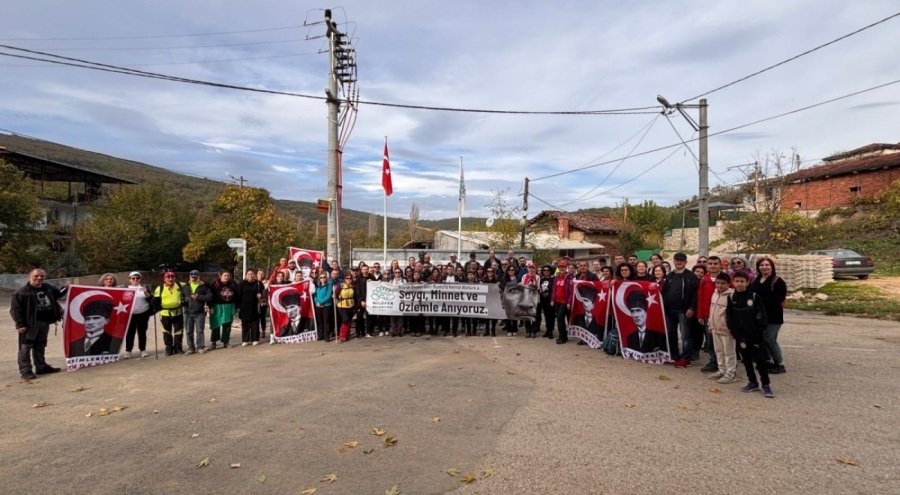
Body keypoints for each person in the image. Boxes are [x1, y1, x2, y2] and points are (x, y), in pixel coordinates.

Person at [727, 270, 774, 398]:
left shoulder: (753, 297)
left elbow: (761, 315)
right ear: (733, 282)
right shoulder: (731, 298)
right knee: (746, 360)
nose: (739, 284)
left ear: (747, 282)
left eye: (742, 281)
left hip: (755, 336)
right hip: (740, 336)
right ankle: (752, 381)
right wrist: (734, 331)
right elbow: (729, 317)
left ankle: (766, 384)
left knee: (760, 361)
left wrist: (759, 330)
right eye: (737, 281)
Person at [11, 269, 65, 379]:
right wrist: (20, 325)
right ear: (29, 277)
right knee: (25, 348)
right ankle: (25, 371)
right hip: (29, 324)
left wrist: (69, 288)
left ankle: (41, 367)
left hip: (44, 322)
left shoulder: (48, 288)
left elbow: (58, 294)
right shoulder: (21, 292)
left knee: (40, 345)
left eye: (42, 276)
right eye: (36, 276)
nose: (39, 278)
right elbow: (15, 310)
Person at [751, 257, 788, 375]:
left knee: (769, 339)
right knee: (761, 339)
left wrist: (759, 301)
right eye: (761, 265)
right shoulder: (756, 280)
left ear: (772, 267)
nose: (764, 267)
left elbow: (778, 299)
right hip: (759, 316)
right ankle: (767, 361)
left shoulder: (778, 281)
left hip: (774, 316)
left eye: (767, 265)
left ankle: (779, 363)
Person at [663, 253, 699, 368]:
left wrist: (692, 308)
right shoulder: (669, 276)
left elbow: (695, 294)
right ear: (673, 261)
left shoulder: (691, 276)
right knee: (671, 333)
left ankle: (686, 358)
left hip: (683, 311)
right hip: (669, 310)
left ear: (685, 262)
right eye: (677, 260)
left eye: (681, 260)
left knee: (685, 336)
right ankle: (675, 355)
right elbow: (664, 291)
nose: (679, 262)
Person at [696, 256, 725, 372]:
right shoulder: (704, 280)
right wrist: (700, 315)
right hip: (707, 315)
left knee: (722, 341)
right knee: (710, 341)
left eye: (715, 263)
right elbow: (700, 298)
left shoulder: (725, 278)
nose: (713, 266)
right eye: (710, 263)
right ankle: (714, 361)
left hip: (721, 315)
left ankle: (725, 362)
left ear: (720, 265)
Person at [707, 272, 736, 384]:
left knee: (729, 352)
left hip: (726, 329)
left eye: (723, 283)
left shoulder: (732, 295)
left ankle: (731, 373)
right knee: (719, 351)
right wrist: (710, 324)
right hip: (715, 327)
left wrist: (732, 328)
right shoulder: (714, 294)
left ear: (729, 284)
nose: (719, 286)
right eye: (718, 283)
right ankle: (722, 370)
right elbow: (712, 310)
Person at [153, 271, 186, 356]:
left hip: (178, 312)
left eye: (172, 277)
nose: (171, 279)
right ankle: (169, 349)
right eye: (168, 277)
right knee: (166, 332)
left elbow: (191, 284)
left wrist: (201, 282)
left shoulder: (180, 285)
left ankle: (178, 348)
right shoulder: (159, 288)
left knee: (179, 331)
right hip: (165, 313)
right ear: (164, 279)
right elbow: (155, 300)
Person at [181, 270, 211, 354]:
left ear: (198, 277)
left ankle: (200, 347)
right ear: (189, 277)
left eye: (195, 277)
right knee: (188, 331)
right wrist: (182, 301)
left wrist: (199, 296)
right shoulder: (185, 287)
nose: (193, 278)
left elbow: (209, 297)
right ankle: (191, 348)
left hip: (199, 312)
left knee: (199, 330)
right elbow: (182, 297)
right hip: (188, 312)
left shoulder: (203, 286)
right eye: (192, 277)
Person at [124, 271, 152, 358]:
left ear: (140, 279)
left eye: (137, 278)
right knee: (130, 333)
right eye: (133, 278)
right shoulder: (125, 289)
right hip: (130, 314)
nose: (135, 280)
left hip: (143, 313)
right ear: (129, 280)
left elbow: (151, 299)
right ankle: (128, 350)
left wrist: (145, 292)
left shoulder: (144, 288)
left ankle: (143, 349)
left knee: (142, 332)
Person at [209, 270, 238, 350]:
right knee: (215, 324)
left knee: (227, 324)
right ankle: (213, 342)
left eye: (228, 275)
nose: (226, 277)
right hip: (216, 306)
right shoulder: (214, 283)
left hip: (229, 306)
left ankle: (226, 342)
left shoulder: (233, 283)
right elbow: (210, 296)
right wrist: (210, 306)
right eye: (225, 275)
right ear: (220, 275)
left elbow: (236, 295)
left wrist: (236, 306)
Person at [237, 270, 263, 346]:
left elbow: (262, 292)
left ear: (254, 275)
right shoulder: (241, 284)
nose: (250, 275)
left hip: (255, 305)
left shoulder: (258, 283)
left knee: (255, 323)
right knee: (245, 323)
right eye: (248, 274)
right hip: (244, 306)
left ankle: (255, 339)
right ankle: (245, 339)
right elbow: (238, 295)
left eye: (252, 274)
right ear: (246, 275)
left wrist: (260, 295)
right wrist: (238, 306)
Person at [550, 260, 574, 344]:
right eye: (560, 267)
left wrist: (569, 302)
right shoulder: (557, 277)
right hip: (557, 301)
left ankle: (562, 337)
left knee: (560, 318)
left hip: (565, 301)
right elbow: (554, 289)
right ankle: (563, 335)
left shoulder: (570, 277)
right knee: (560, 319)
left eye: (563, 267)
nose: (562, 268)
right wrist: (552, 299)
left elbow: (571, 291)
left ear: (566, 267)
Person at [314, 270, 334, 341]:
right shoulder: (317, 287)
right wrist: (317, 302)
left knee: (326, 321)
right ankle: (321, 335)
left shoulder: (329, 286)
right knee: (320, 321)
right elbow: (315, 296)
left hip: (326, 305)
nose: (323, 279)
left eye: (324, 277)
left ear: (326, 278)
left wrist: (321, 302)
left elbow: (328, 296)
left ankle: (326, 336)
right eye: (321, 277)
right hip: (318, 306)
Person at [336, 273, 357, 342]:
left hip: (351, 304)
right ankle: (342, 335)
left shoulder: (353, 286)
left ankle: (347, 333)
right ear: (345, 279)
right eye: (347, 278)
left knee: (349, 320)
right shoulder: (341, 286)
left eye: (350, 278)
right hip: (342, 305)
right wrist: (334, 295)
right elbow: (335, 294)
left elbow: (355, 296)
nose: (348, 280)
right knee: (345, 319)